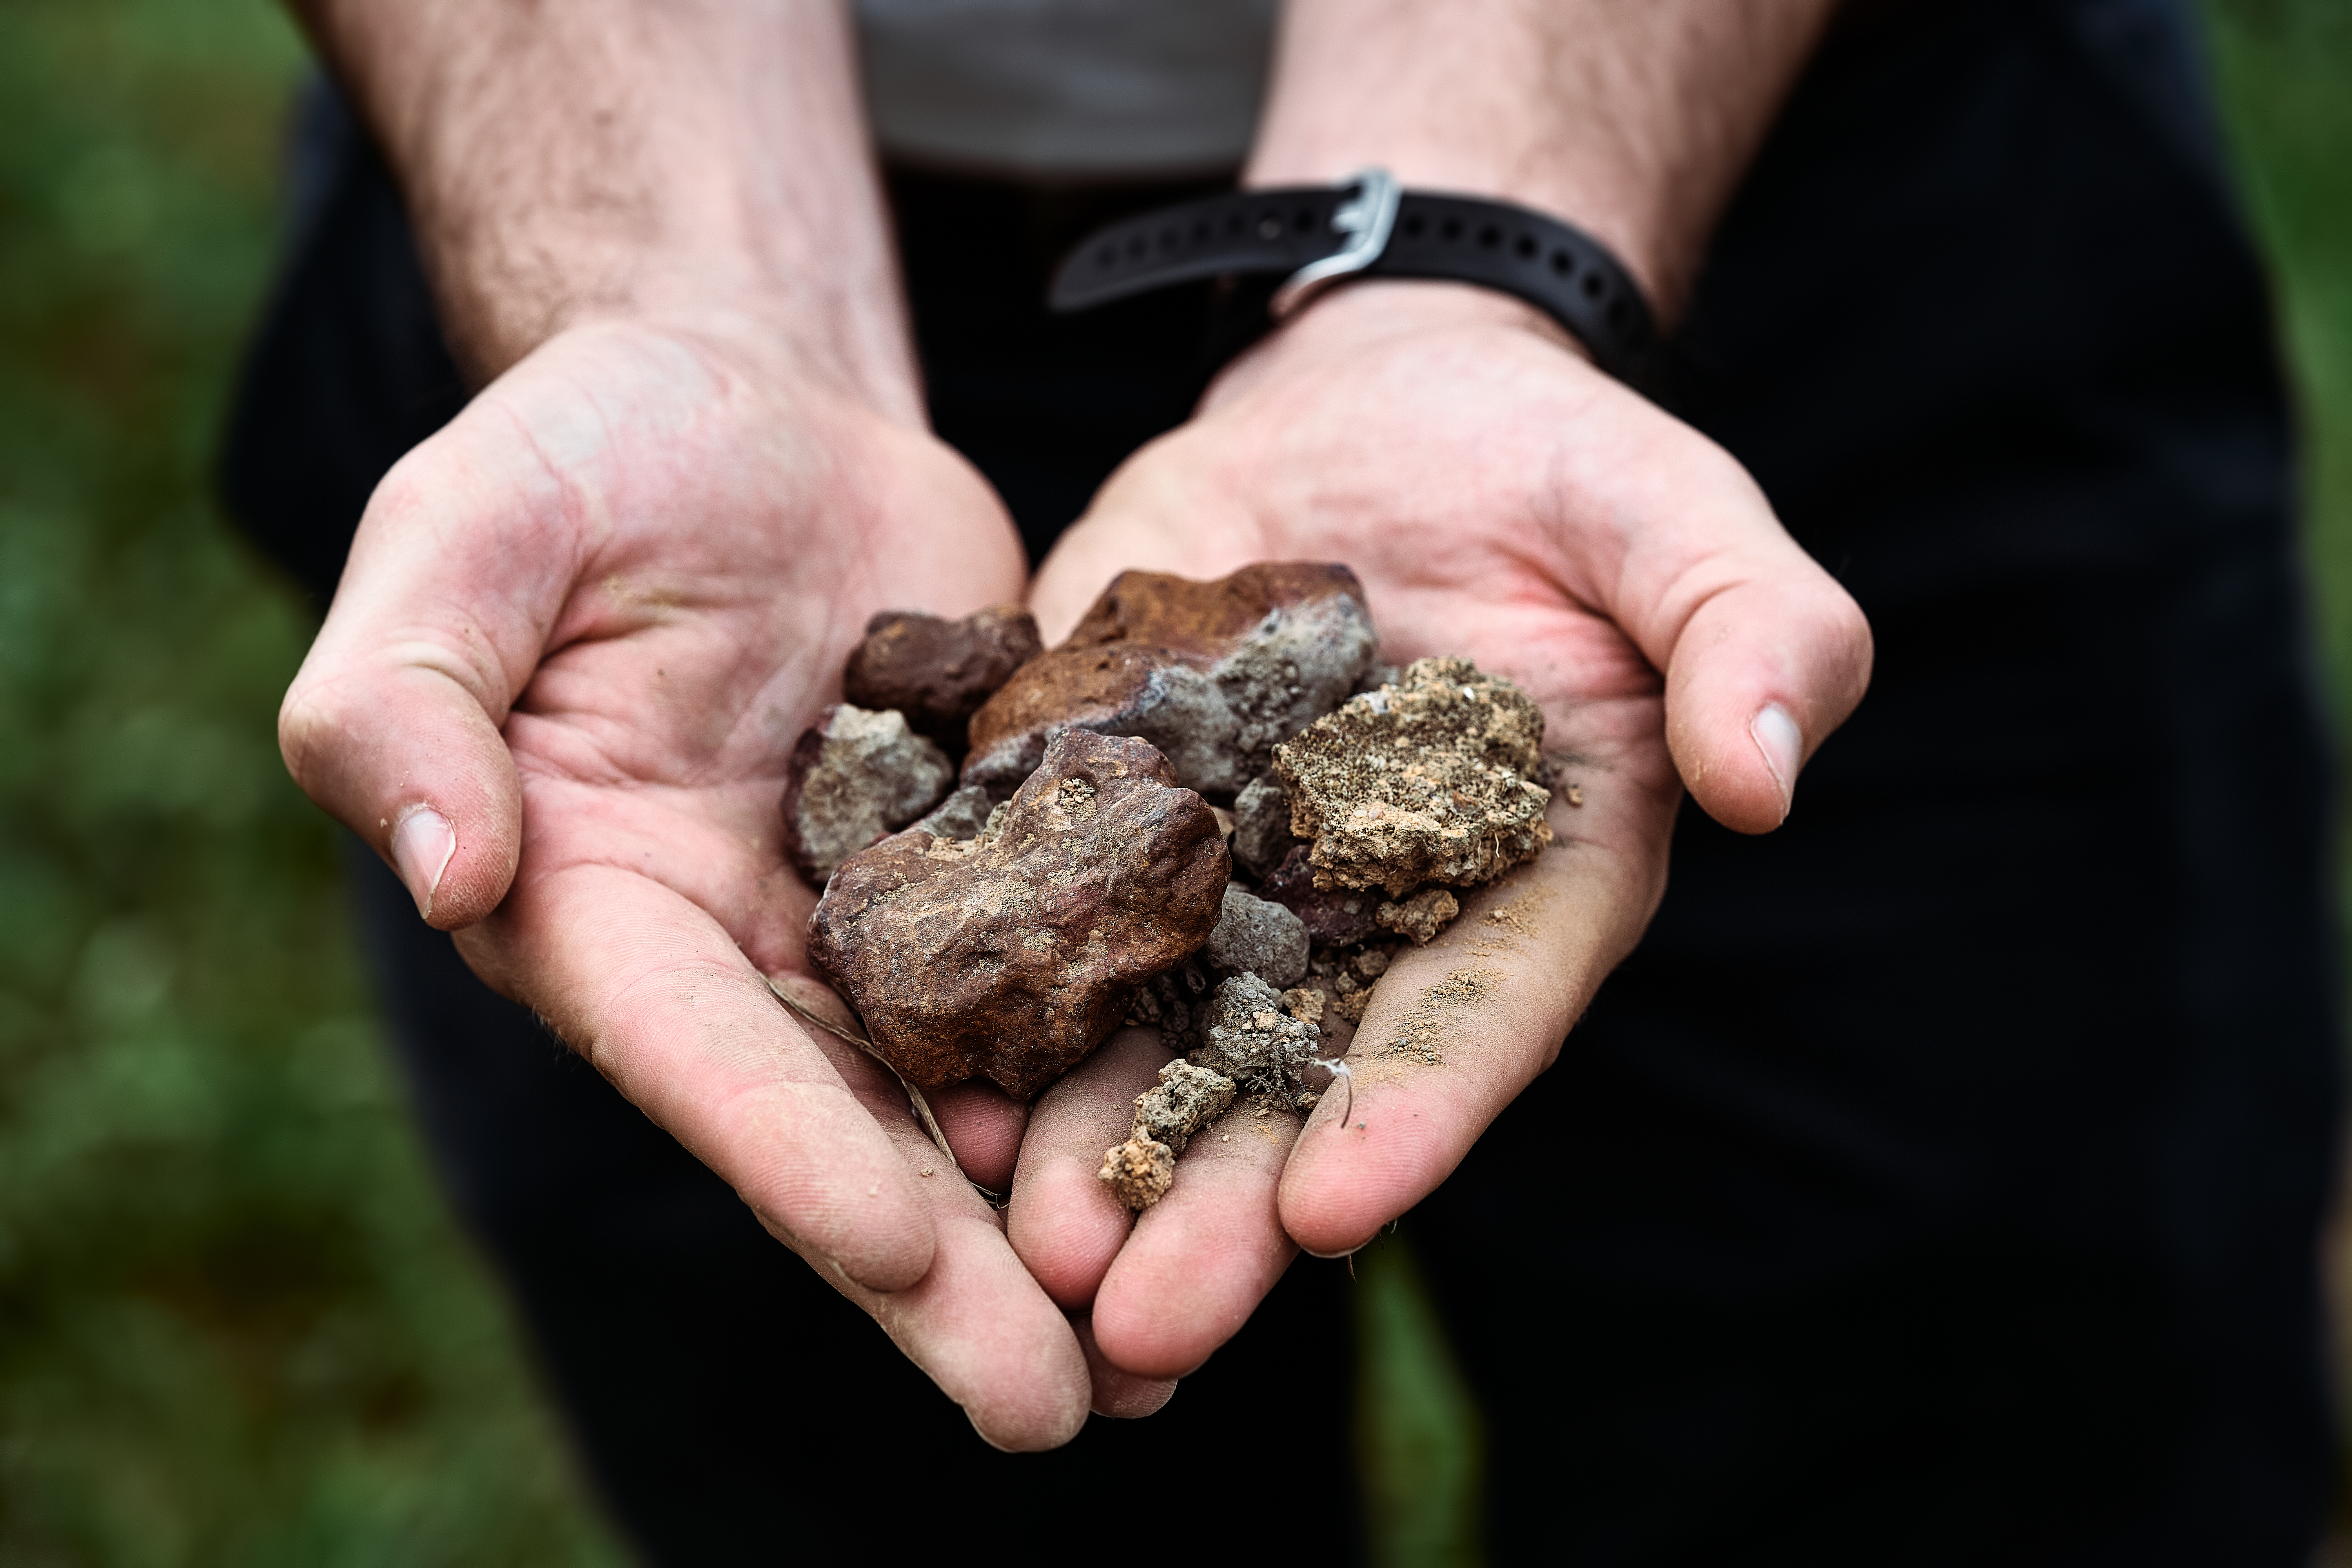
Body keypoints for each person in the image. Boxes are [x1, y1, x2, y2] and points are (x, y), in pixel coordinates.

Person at [221, 0, 2338, 1560]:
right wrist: (690, 296)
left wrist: (1468, 264)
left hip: (1826, 198)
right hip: (593, 197)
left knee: (1985, 1452)